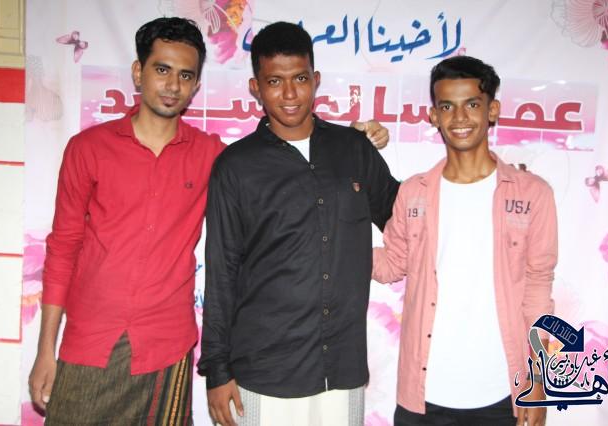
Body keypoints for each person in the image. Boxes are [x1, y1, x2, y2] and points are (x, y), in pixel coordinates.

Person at [28, 16, 389, 425]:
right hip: (92, 340)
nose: (172, 85)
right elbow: (63, 249)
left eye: (185, 75)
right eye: (162, 70)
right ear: (138, 72)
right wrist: (45, 350)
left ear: (197, 84)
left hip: (167, 348)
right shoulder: (90, 149)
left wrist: (353, 142)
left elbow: (287, 170)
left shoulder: (213, 155)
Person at [198, 21, 400, 426]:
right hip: (263, 371)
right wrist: (217, 370)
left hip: (341, 369)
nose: (289, 94)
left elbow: (407, 218)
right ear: (256, 88)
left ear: (315, 80)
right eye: (275, 81)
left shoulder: (353, 150)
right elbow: (222, 271)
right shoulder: (235, 166)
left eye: (300, 79)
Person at [372, 55, 557, 426]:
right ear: (433, 116)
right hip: (423, 397)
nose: (459, 118)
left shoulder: (533, 194)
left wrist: (538, 381)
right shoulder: (413, 193)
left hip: (501, 395)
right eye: (447, 107)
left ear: (492, 110)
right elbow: (391, 265)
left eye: (472, 104)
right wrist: (329, 239)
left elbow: (538, 292)